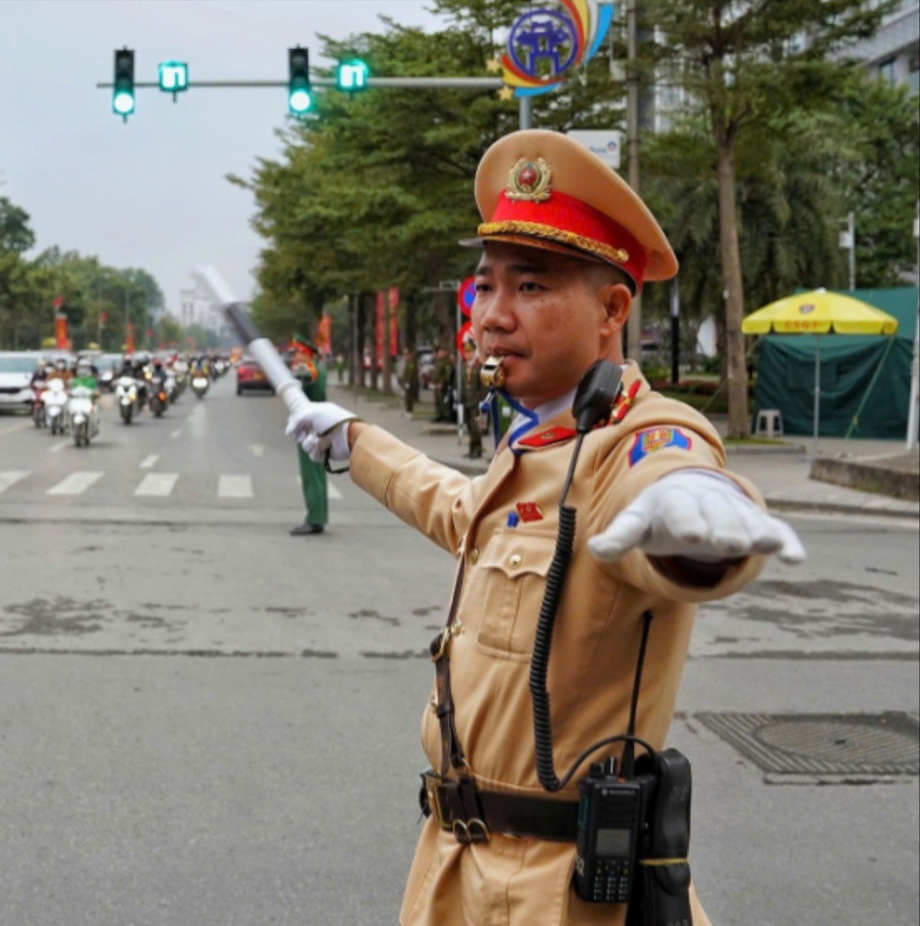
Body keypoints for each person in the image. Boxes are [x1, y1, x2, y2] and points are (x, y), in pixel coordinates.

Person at [284, 130, 805, 925]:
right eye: (485, 288)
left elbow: (672, 483)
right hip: (455, 864)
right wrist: (356, 442)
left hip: (555, 889)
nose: (492, 318)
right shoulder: (539, 438)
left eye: (529, 288)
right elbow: (465, 513)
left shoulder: (640, 435)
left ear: (611, 310)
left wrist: (696, 520)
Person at [289, 336, 328, 537]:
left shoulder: (310, 370)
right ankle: (318, 516)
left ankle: (314, 519)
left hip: (311, 428)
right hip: (316, 426)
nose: (295, 356)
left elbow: (306, 382)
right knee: (316, 473)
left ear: (307, 353)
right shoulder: (315, 369)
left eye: (298, 352)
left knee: (311, 474)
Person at [460, 354, 485, 459]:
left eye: (469, 351)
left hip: (476, 401)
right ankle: (471, 448)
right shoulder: (464, 365)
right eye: (466, 351)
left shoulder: (479, 366)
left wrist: (482, 400)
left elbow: (483, 385)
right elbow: (462, 383)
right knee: (469, 426)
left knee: (475, 427)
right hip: (466, 400)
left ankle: (477, 449)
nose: (467, 354)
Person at [431, 347, 454, 422]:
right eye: (439, 352)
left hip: (443, 385)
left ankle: (446, 416)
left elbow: (446, 374)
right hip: (436, 384)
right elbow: (435, 373)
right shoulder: (438, 361)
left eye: (441, 352)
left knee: (443, 401)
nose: (439, 354)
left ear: (445, 353)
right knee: (437, 401)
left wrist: (442, 382)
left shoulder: (446, 362)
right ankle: (439, 414)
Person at [400, 348, 420, 415]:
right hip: (406, 382)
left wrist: (408, 382)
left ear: (410, 355)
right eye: (405, 355)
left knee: (409, 397)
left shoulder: (411, 362)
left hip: (410, 383)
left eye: (407, 355)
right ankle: (407, 410)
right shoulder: (407, 362)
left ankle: (409, 410)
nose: (405, 356)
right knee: (406, 397)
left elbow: (411, 373)